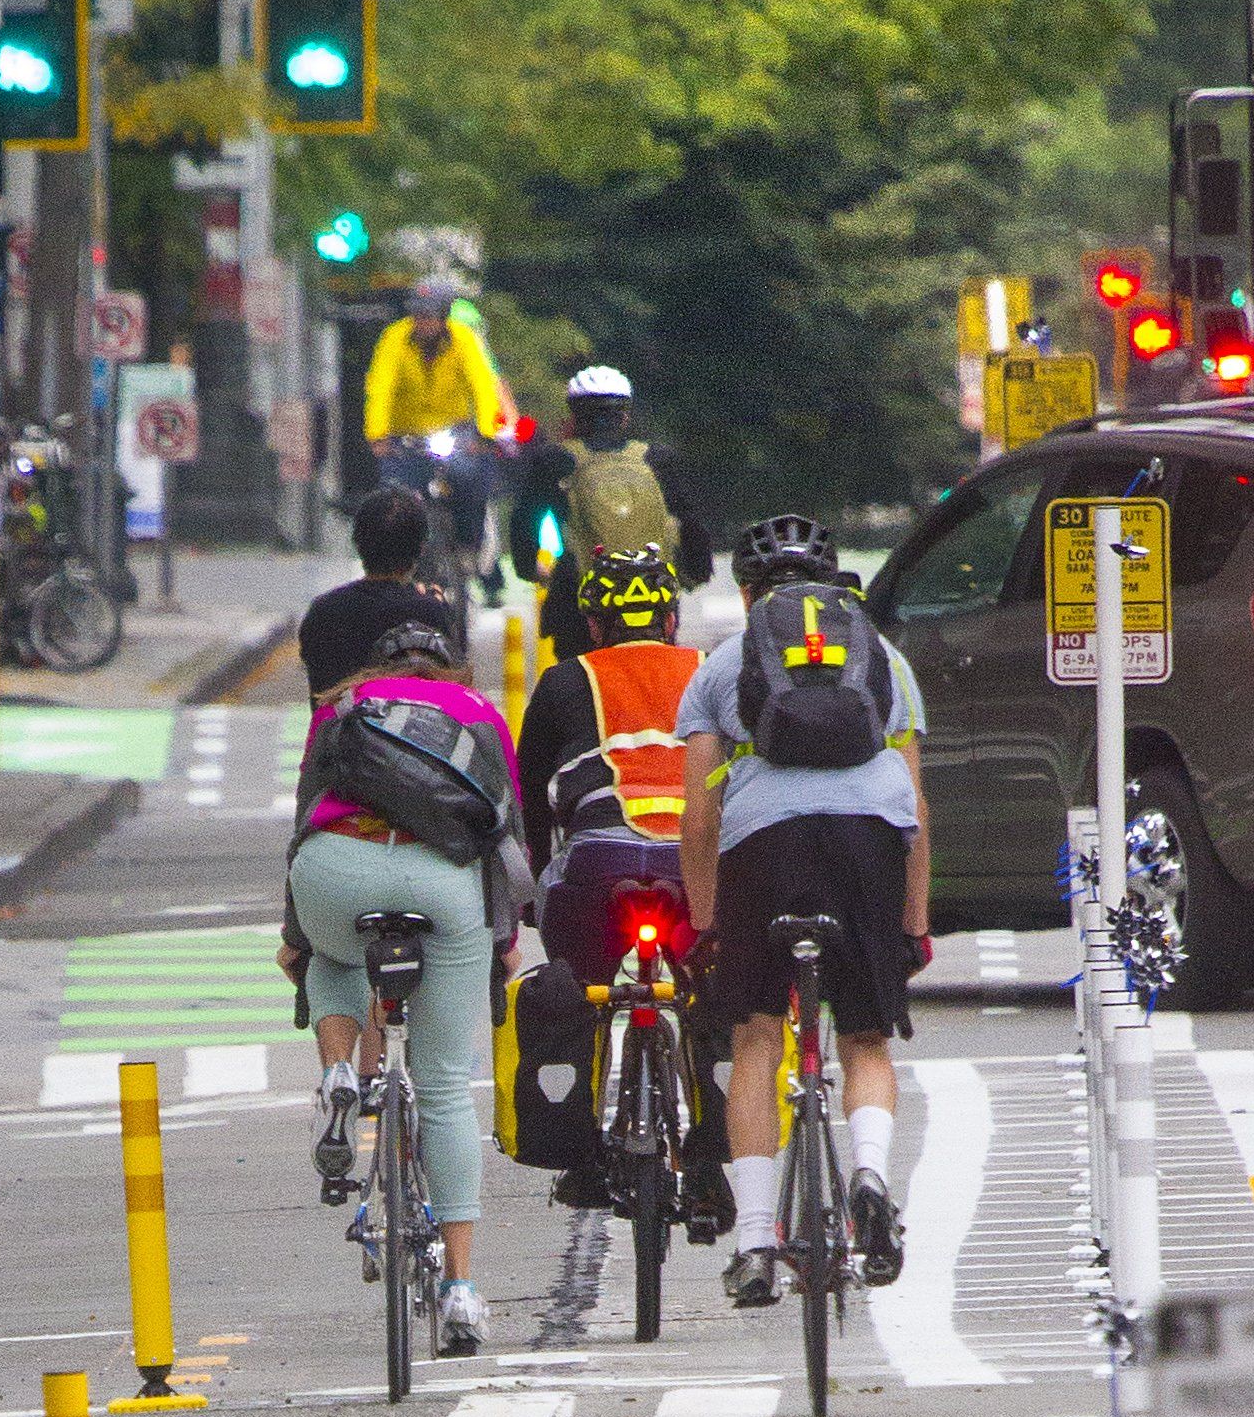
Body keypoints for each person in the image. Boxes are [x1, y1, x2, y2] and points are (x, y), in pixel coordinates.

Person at [678, 511, 931, 1306]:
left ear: (748, 592)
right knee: (864, 1038)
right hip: (869, 841)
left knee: (756, 1037)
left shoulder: (722, 664)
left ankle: (755, 1241)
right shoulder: (883, 657)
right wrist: (913, 924)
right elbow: (916, 803)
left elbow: (697, 815)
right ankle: (868, 1174)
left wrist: (708, 920)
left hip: (766, 847)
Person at [283, 617, 518, 1355]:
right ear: (447, 665)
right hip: (442, 883)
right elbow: (504, 831)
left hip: (335, 869)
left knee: (331, 958)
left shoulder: (341, 708)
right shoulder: (479, 712)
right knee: (444, 1086)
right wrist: (504, 942)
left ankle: (342, 1076)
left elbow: (303, 819)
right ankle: (459, 1290)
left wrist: (294, 935)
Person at [515, 547, 734, 1229]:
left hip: (597, 868)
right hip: (690, 866)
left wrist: (531, 893)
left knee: (582, 991)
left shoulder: (561, 682)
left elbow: (530, 803)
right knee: (710, 992)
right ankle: (707, 1161)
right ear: (671, 618)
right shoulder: (707, 671)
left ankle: (582, 1157)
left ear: (592, 622)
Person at [508, 365, 714, 663]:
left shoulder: (555, 460)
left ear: (575, 415)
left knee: (576, 686)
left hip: (581, 599)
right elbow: (691, 522)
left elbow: (524, 521)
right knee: (659, 676)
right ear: (625, 415)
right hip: (653, 596)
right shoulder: (656, 459)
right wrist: (697, 570)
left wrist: (530, 569)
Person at [361, 276, 508, 603]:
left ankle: (469, 547)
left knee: (472, 480)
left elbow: (482, 385)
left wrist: (485, 432)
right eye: (418, 315)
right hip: (407, 435)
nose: (423, 322)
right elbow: (379, 386)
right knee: (393, 496)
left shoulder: (464, 340)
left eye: (430, 315)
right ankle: (393, 566)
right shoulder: (394, 339)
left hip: (453, 432)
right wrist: (378, 434)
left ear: (443, 317)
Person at [299, 487, 467, 703]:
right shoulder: (431, 611)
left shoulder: (324, 610)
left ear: (358, 543)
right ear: (421, 548)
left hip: (336, 735)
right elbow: (455, 684)